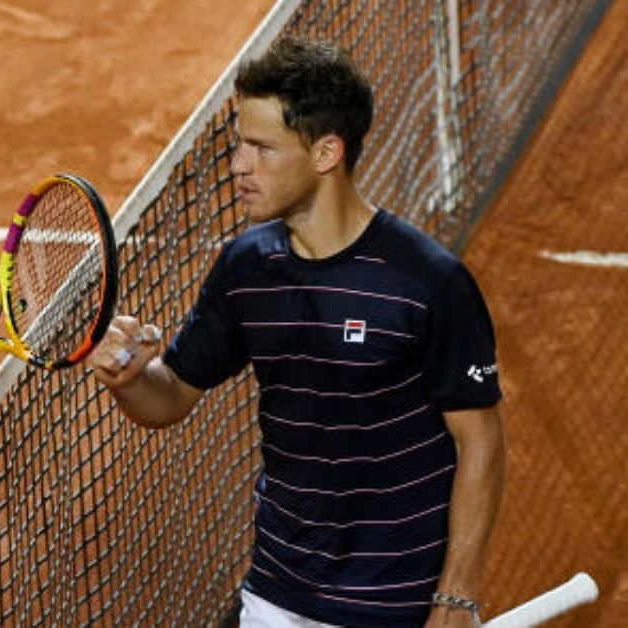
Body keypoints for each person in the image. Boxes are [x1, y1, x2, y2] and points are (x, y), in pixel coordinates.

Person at [87, 38, 504, 627]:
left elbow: (480, 441)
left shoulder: (427, 282)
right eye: (239, 144)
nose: (238, 165)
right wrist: (129, 380)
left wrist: (456, 596)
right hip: (278, 591)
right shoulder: (245, 267)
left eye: (261, 147)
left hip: (394, 600)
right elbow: (172, 395)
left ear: (326, 152)